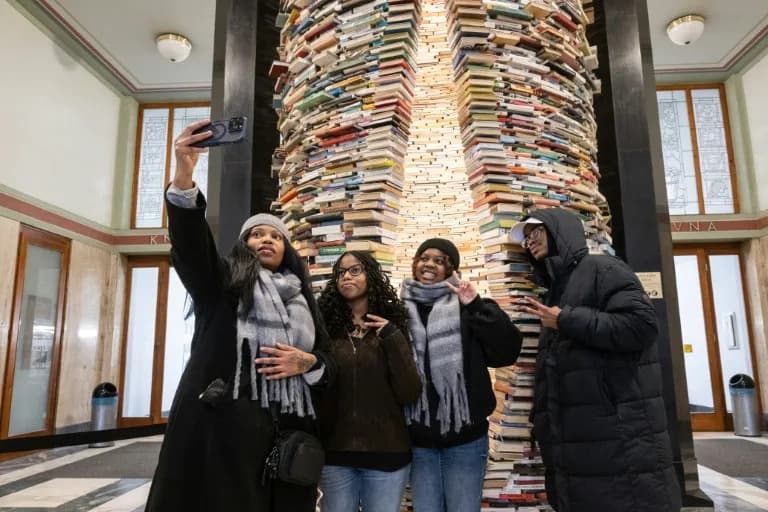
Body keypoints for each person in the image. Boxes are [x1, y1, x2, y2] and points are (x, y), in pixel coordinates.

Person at [145, 120, 333, 512]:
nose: (266, 239)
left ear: (287, 250)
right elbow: (193, 248)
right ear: (244, 245)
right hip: (223, 437)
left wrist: (309, 362)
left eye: (275, 236)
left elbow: (329, 367)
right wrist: (183, 176)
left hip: (286, 440)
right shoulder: (222, 286)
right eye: (256, 234)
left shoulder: (303, 301)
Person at [512, 208, 682, 512]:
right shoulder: (556, 289)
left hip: (619, 441)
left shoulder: (602, 269)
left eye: (535, 231)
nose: (530, 241)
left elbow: (641, 326)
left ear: (559, 231)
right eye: (525, 238)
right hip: (584, 446)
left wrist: (566, 320)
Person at [400, 238, 522, 512]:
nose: (430, 263)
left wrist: (476, 305)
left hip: (465, 439)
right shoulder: (398, 311)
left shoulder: (470, 308)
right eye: (424, 257)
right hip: (419, 441)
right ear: (415, 263)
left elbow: (506, 351)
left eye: (440, 260)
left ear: (451, 269)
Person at [316, 251, 422, 511]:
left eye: (355, 270)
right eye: (340, 272)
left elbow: (409, 392)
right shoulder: (324, 329)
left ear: (371, 276)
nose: (346, 277)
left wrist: (392, 336)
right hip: (334, 454)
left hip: (387, 453)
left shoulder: (394, 327)